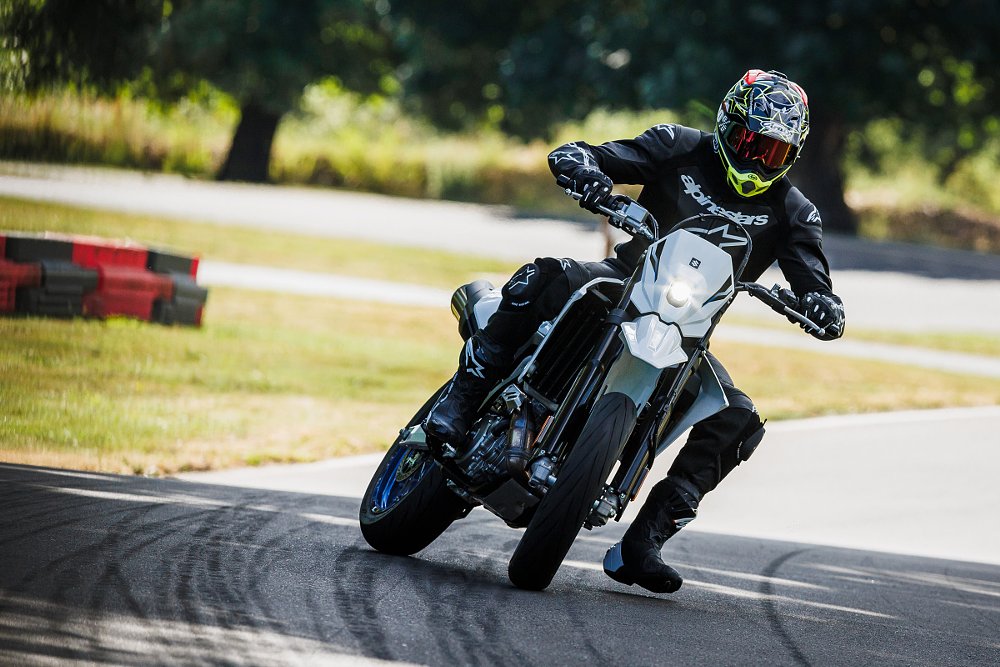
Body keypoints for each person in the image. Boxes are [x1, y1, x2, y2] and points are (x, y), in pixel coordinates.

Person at [423, 69, 845, 593]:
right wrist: (589, 174)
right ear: (728, 123)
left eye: (775, 153)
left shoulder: (793, 211)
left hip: (688, 331)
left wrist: (823, 305)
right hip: (623, 281)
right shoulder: (679, 146)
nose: (759, 159)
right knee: (548, 274)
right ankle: (462, 398)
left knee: (737, 418)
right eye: (751, 142)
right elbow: (585, 153)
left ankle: (643, 542)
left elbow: (816, 280)